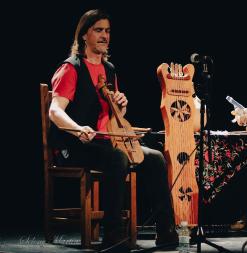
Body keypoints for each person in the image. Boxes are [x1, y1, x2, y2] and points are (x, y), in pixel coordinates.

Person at [48, 9, 179, 250]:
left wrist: (121, 105)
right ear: (84, 35)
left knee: (155, 158)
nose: (104, 36)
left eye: (107, 31)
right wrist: (78, 130)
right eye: (98, 30)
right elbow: (55, 111)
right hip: (74, 145)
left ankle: (166, 231)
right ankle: (113, 232)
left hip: (107, 141)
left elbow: (111, 117)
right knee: (117, 158)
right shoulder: (71, 68)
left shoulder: (109, 69)